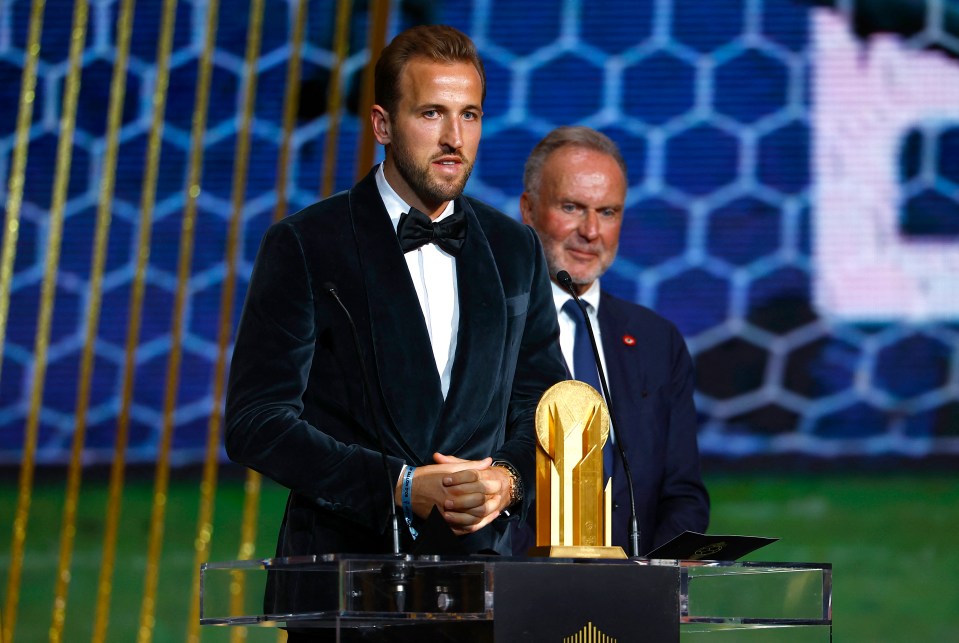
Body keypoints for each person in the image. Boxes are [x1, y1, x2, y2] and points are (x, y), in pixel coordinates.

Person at [224, 24, 566, 639]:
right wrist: (402, 487)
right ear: (382, 124)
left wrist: (507, 482)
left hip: (481, 587)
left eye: (470, 115)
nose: (454, 139)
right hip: (345, 590)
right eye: (432, 113)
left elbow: (545, 404)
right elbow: (257, 423)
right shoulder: (306, 244)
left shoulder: (515, 249)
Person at [518, 126, 709, 556]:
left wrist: (649, 580)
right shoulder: (489, 329)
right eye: (572, 207)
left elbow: (683, 495)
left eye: (607, 212)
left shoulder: (657, 342)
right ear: (528, 210)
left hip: (633, 604)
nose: (591, 231)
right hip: (521, 596)